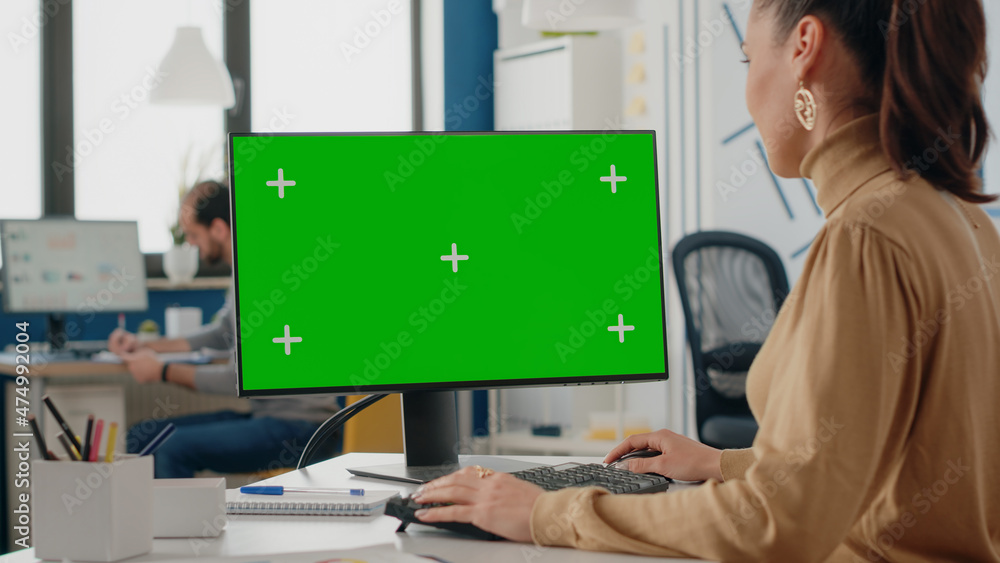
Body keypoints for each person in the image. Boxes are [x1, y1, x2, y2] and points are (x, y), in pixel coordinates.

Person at [411, 1, 1000, 560]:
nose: (748, 92)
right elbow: (887, 466)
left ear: (804, 47)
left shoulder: (864, 237)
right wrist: (723, 465)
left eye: (748, 59)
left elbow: (777, 524)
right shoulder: (958, 217)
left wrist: (549, 513)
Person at [108, 180, 340, 478]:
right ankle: (153, 524)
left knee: (170, 447)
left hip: (303, 428)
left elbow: (238, 378)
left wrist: (162, 372)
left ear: (218, 228)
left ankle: (180, 526)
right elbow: (222, 332)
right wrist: (147, 345)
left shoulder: (264, 276)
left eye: (194, 234)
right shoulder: (245, 268)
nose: (191, 244)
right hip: (270, 418)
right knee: (143, 436)